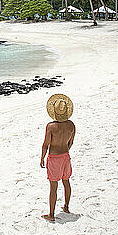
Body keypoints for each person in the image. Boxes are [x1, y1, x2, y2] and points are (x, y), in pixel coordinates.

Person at [40, 94, 75, 222]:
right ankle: (66, 207)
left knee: (53, 186)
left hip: (54, 158)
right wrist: (64, 151)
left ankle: (51, 214)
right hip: (65, 156)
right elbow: (70, 143)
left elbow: (45, 145)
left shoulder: (51, 126)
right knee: (66, 182)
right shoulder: (71, 125)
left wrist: (42, 158)